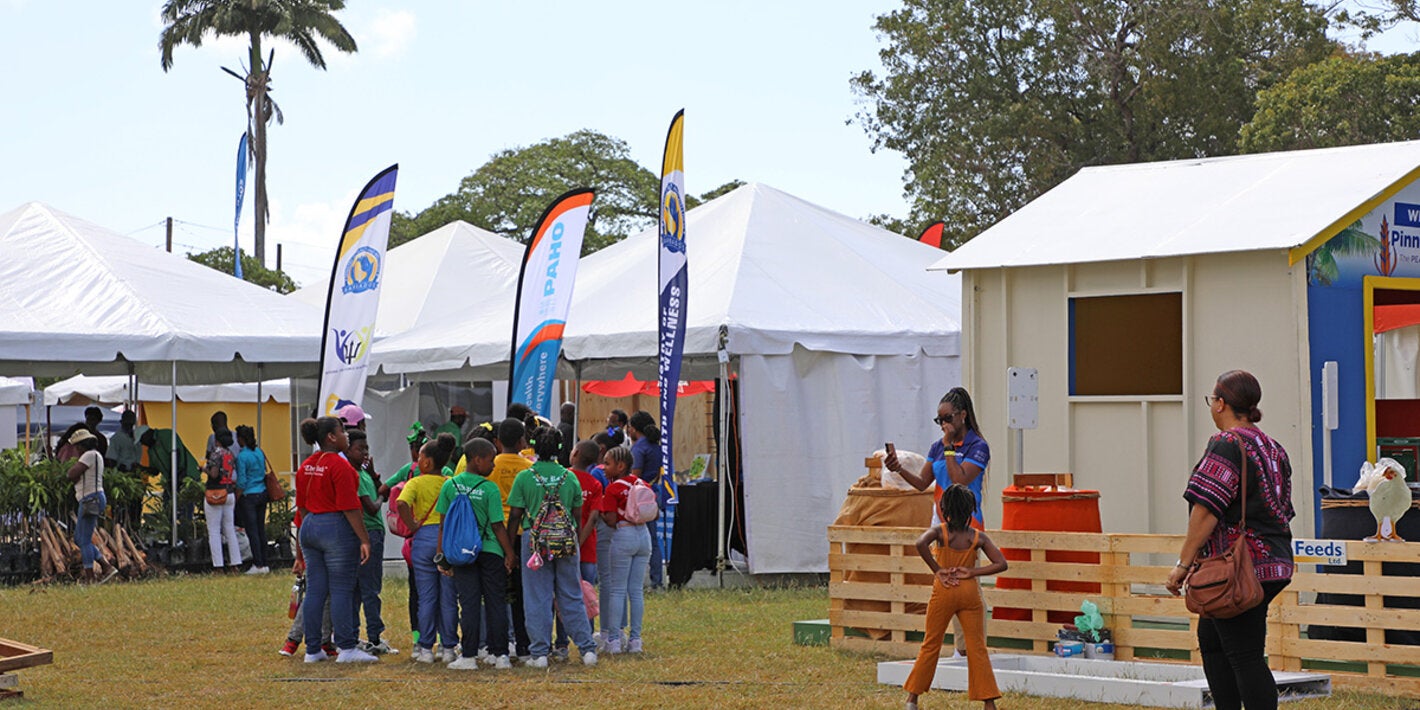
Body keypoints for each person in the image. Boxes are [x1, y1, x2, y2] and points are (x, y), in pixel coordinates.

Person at [1166, 370, 1294, 710]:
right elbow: (1284, 509)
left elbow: (1207, 508)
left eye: (1212, 400)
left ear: (1221, 403)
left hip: (1238, 569)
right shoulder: (1273, 448)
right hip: (1274, 562)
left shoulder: (1226, 443)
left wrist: (1183, 564)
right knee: (1212, 641)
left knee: (1244, 654)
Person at [885, 387, 991, 656]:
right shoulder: (938, 447)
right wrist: (899, 469)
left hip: (968, 525)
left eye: (948, 418)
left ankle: (971, 648)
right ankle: (961, 648)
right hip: (942, 523)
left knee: (968, 585)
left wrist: (949, 449)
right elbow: (923, 482)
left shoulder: (977, 446)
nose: (943, 425)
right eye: (939, 420)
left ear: (963, 415)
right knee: (948, 583)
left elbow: (959, 480)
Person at [904, 484, 1005, 710]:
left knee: (931, 643)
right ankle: (989, 702)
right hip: (969, 592)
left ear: (945, 508)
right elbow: (1001, 563)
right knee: (977, 647)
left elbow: (920, 543)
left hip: (944, 590)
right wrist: (973, 572)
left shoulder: (940, 532)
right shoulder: (977, 537)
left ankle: (912, 699)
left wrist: (938, 570)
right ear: (971, 510)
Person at [507, 426, 597, 667]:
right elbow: (577, 515)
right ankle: (587, 650)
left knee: (537, 596)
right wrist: (572, 538)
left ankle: (539, 654)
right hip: (566, 539)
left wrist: (509, 549)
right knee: (571, 594)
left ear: (534, 447)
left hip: (534, 542)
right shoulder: (569, 477)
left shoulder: (525, 477)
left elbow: (515, 515)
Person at [294, 416, 378, 663]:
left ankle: (312, 650)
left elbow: (302, 507)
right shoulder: (341, 467)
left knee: (315, 590)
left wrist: (308, 534)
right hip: (335, 527)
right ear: (331, 437)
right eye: (342, 432)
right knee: (341, 588)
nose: (346, 435)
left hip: (310, 526)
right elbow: (350, 507)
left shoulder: (306, 465)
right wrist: (364, 539)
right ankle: (347, 648)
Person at [437, 437, 516, 670]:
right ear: (477, 459)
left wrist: (441, 554)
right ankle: (500, 655)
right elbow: (497, 526)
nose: (493, 465)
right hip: (490, 551)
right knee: (495, 602)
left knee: (469, 603)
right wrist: (509, 553)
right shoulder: (489, 488)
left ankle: (469, 656)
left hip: (463, 553)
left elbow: (443, 525)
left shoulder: (449, 485)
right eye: (491, 460)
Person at [398, 439, 458, 664]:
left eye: (421, 456)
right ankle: (448, 647)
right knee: (449, 597)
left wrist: (412, 525)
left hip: (423, 539)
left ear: (427, 462)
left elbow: (401, 503)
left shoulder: (415, 483)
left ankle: (425, 648)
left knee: (426, 597)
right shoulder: (450, 483)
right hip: (446, 539)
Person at [553, 439, 603, 660]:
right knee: (586, 596)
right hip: (587, 549)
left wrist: (572, 543)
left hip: (563, 545)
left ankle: (561, 645)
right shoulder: (595, 484)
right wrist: (580, 542)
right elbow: (594, 517)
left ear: (575, 454)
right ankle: (587, 642)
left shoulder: (562, 477)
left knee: (561, 596)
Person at [347, 430, 395, 655]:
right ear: (348, 451)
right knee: (369, 588)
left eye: (366, 448)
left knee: (361, 587)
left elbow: (380, 488)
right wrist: (382, 497)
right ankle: (374, 636)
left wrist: (374, 475)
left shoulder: (363, 473)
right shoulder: (354, 476)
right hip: (369, 533)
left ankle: (355, 634)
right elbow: (372, 506)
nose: (365, 453)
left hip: (371, 533)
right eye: (359, 449)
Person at [597, 445, 650, 654]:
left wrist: (600, 512)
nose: (603, 467)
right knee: (636, 591)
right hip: (643, 535)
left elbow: (611, 520)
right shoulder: (641, 483)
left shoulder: (612, 489)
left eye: (607, 463)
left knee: (617, 589)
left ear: (620, 466)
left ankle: (614, 641)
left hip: (623, 534)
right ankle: (636, 640)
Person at [491, 417, 534, 660]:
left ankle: (500, 644)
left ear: (497, 441)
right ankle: (524, 645)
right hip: (521, 535)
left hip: (495, 535)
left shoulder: (491, 465)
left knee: (498, 593)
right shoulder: (528, 467)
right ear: (522, 442)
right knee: (522, 593)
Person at [66, 429, 118, 584]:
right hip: (92, 498)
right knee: (79, 538)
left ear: (81, 446)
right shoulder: (95, 455)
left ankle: (90, 577)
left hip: (90, 498)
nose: (75, 450)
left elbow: (71, 474)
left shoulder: (89, 455)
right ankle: (106, 566)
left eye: (76, 446)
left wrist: (73, 472)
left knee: (84, 540)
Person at [626, 411, 665, 589]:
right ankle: (657, 581)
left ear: (633, 429)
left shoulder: (638, 449)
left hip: (639, 497)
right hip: (653, 494)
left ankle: (635, 580)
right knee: (653, 540)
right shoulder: (656, 447)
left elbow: (634, 476)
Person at [203, 428, 242, 574]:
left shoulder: (216, 453)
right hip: (229, 493)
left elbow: (213, 474)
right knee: (229, 529)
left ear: (216, 441)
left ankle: (218, 566)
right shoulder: (230, 454)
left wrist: (203, 468)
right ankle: (235, 563)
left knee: (214, 530)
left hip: (215, 493)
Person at [233, 425, 270, 575]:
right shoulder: (259, 452)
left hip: (249, 495)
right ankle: (265, 563)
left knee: (252, 530)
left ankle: (258, 564)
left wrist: (237, 496)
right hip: (262, 492)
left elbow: (241, 481)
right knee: (261, 529)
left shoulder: (242, 457)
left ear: (241, 439)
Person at [557, 403, 576, 467]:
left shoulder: (558, 427)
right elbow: (571, 449)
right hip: (567, 464)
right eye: (574, 414)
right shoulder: (569, 430)